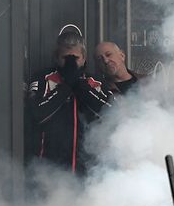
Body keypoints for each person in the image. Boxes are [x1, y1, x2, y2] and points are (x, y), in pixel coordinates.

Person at [27, 30, 115, 174]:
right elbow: (37, 114)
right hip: (48, 170)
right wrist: (66, 85)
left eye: (75, 57)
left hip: (89, 170)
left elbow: (110, 114)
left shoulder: (95, 82)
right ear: (56, 57)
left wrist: (79, 84)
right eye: (65, 57)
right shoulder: (42, 79)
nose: (71, 62)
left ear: (84, 58)